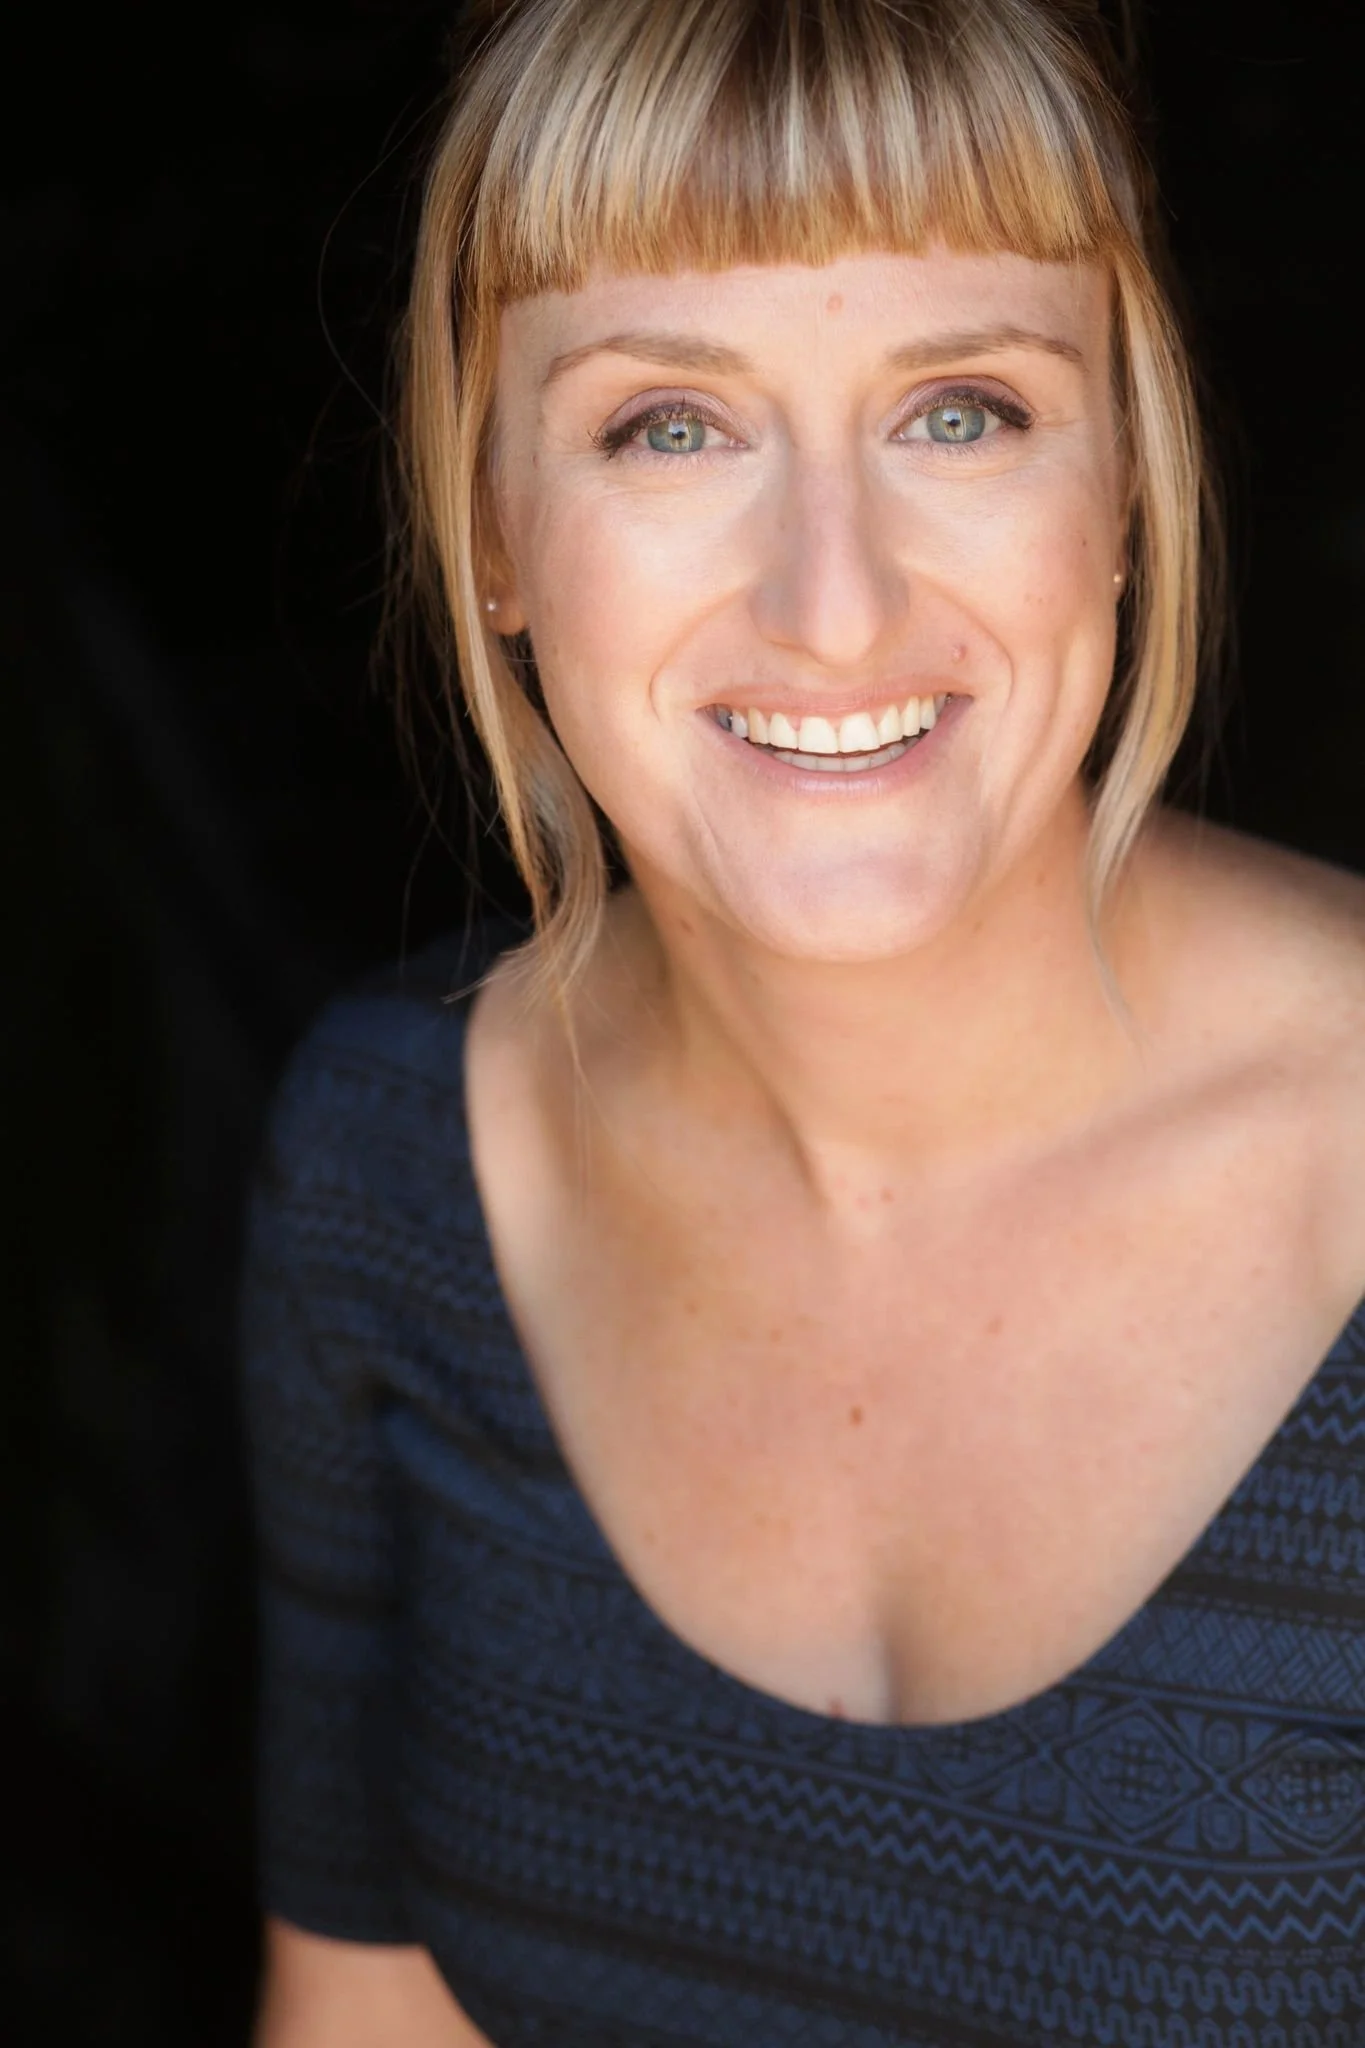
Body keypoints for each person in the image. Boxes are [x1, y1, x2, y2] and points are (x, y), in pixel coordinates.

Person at [241, 1, 1365, 2041]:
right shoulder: (389, 1170)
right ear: (493, 530)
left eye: (959, 411)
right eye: (670, 424)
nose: (830, 605)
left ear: (1120, 481)